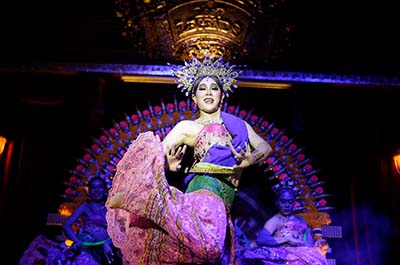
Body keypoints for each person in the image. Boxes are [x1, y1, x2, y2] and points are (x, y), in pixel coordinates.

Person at [105, 55, 273, 264]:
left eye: (214, 87)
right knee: (208, 249)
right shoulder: (187, 127)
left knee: (206, 257)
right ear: (194, 97)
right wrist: (168, 164)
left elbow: (265, 147)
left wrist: (251, 159)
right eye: (202, 88)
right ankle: (148, 204)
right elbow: (156, 153)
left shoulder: (239, 126)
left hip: (227, 201)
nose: (209, 92)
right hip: (204, 190)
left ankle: (156, 208)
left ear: (222, 95)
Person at [239, 187, 329, 265]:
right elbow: (262, 239)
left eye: (290, 202)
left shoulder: (300, 220)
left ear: (294, 203)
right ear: (277, 203)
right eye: (283, 201)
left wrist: (301, 243)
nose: (287, 205)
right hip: (282, 256)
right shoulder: (275, 220)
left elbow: (308, 241)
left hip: (301, 255)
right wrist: (286, 240)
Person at [63, 176, 122, 265]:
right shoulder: (85, 207)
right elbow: (66, 225)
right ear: (89, 190)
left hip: (108, 248)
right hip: (88, 250)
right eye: (93, 187)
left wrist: (108, 243)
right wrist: (77, 242)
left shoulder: (111, 207)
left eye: (100, 187)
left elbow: (120, 230)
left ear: (105, 189)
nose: (96, 190)